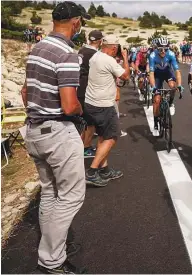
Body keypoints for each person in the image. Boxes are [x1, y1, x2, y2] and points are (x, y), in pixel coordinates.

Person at [20, 2, 90, 273]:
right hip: (57, 132)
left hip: (34, 130)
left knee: (50, 192)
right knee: (71, 196)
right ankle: (51, 260)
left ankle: (51, 249)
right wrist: (81, 112)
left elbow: (26, 93)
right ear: (76, 23)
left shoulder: (37, 48)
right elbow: (70, 104)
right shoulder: (67, 53)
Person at [83, 37, 130, 186]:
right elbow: (125, 76)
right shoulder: (109, 60)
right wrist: (125, 58)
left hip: (90, 103)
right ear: (114, 48)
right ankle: (91, 172)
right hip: (103, 105)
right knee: (112, 137)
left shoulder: (95, 56)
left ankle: (104, 170)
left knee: (103, 136)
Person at [148, 36, 184, 136]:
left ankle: (171, 103)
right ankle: (155, 123)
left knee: (173, 86)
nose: (163, 51)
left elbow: (177, 71)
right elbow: (151, 73)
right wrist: (153, 87)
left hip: (168, 73)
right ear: (156, 48)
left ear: (169, 48)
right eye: (160, 49)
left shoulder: (171, 54)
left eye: (165, 49)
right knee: (157, 100)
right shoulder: (152, 56)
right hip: (157, 75)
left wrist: (179, 85)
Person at [78, 30, 103, 158]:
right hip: (87, 88)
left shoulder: (81, 50)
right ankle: (86, 148)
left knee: (83, 120)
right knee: (91, 121)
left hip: (78, 86)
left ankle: (81, 145)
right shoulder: (95, 54)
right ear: (100, 41)